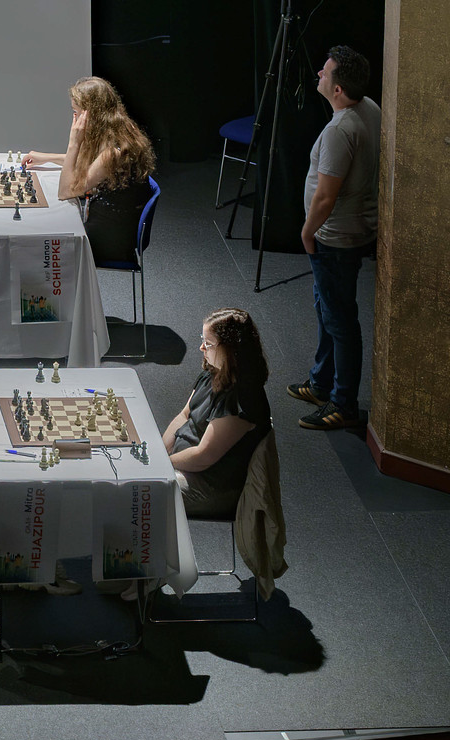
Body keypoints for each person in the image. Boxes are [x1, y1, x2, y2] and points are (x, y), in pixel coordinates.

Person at [290, 45, 381, 431]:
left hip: (336, 238)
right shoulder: (369, 108)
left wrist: (307, 232)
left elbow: (326, 196)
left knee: (340, 320)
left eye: (325, 73)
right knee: (327, 308)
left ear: (338, 89)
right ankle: (320, 383)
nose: (319, 75)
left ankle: (343, 404)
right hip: (348, 232)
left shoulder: (340, 131)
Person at [22, 77, 157, 260]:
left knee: (38, 239)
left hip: (111, 238)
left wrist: (74, 143)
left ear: (92, 113)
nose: (75, 119)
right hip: (110, 223)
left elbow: (66, 191)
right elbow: (89, 163)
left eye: (76, 112)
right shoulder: (120, 129)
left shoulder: (113, 152)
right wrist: (46, 158)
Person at [163, 308, 273, 517]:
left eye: (209, 343)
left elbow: (204, 456)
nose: (201, 347)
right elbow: (184, 416)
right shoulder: (213, 372)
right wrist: (160, 452)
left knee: (141, 491)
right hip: (184, 465)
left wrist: (161, 463)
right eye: (202, 340)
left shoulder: (241, 398)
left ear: (232, 349)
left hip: (210, 486)